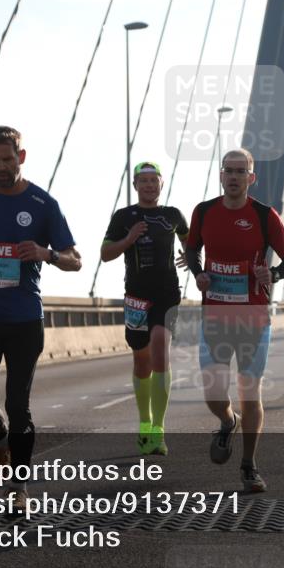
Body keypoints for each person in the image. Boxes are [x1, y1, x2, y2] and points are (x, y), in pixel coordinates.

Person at [0, 125, 82, 515]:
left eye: (7, 159)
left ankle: (19, 488)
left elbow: (76, 259)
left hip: (24, 319)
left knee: (19, 404)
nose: (1, 167)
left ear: (21, 157)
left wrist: (46, 253)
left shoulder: (43, 204)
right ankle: (0, 438)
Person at [184, 149, 284, 493]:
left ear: (252, 178)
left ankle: (249, 465)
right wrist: (200, 273)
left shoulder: (265, 216)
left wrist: (273, 273)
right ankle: (226, 421)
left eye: (241, 171)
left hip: (254, 318)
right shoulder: (204, 212)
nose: (234, 177)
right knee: (213, 392)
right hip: (215, 316)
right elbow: (192, 250)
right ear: (221, 175)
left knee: (251, 393)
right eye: (228, 171)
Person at [101, 161, 188, 456]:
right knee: (142, 360)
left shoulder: (172, 215)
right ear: (135, 185)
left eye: (154, 180)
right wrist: (128, 239)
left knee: (161, 350)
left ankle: (159, 430)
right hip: (136, 296)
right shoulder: (124, 217)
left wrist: (192, 258)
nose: (149, 185)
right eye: (144, 180)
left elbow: (192, 243)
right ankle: (144, 423)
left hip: (167, 294)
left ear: (162, 184)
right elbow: (105, 254)